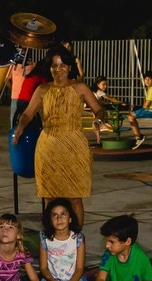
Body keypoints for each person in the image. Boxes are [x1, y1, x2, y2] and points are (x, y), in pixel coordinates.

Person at [12, 46, 108, 226]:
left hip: (74, 147)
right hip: (48, 147)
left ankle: (76, 239)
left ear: (70, 67)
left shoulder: (80, 87)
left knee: (75, 197)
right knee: (49, 197)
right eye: (54, 66)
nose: (58, 70)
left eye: (63, 65)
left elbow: (99, 109)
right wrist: (21, 127)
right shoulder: (42, 89)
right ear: (49, 68)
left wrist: (98, 121)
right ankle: (52, 238)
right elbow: (27, 114)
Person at [32, 197, 91, 281]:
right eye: (54, 215)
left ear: (70, 218)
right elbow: (43, 268)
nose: (59, 218)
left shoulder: (78, 238)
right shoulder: (45, 239)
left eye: (63, 214)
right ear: (50, 220)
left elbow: (79, 268)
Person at [127, 70, 152, 149]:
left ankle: (138, 138)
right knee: (130, 113)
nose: (147, 81)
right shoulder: (150, 89)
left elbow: (145, 106)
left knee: (130, 117)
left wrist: (143, 104)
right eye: (145, 79)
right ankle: (138, 135)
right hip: (149, 109)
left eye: (149, 79)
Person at [89, 76, 124, 145]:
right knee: (102, 110)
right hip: (92, 106)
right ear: (97, 84)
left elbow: (99, 100)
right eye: (103, 84)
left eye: (106, 84)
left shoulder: (93, 90)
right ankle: (103, 124)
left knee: (97, 119)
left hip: (88, 106)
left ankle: (99, 138)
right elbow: (110, 98)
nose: (105, 86)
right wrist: (121, 102)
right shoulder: (98, 91)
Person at [8, 55, 39, 125]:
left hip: (28, 96)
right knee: (14, 118)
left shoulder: (33, 65)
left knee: (28, 117)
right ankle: (13, 133)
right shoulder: (13, 65)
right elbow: (7, 78)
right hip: (15, 96)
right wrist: (12, 88)